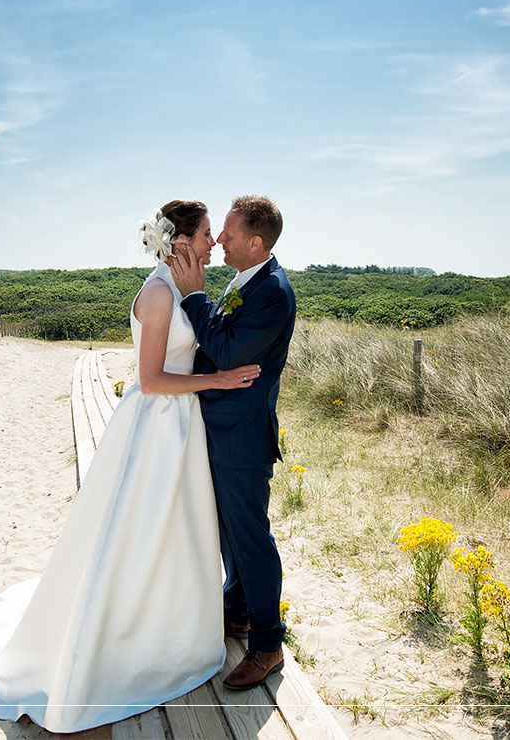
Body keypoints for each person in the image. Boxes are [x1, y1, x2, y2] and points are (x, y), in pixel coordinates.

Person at [0, 200, 261, 733]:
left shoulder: (174, 287)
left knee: (172, 531)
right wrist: (216, 381)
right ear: (181, 242)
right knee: (145, 528)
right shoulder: (163, 294)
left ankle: (171, 618)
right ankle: (132, 631)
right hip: (159, 425)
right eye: (208, 234)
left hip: (177, 427)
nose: (214, 243)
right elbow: (153, 378)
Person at [170, 195, 296, 690]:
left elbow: (223, 350)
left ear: (255, 242)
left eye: (227, 232)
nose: (219, 239)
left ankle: (268, 645)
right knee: (229, 534)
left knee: (251, 538)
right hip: (221, 430)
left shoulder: (273, 292)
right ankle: (237, 611)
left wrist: (194, 298)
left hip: (243, 439)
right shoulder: (246, 281)